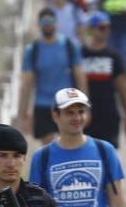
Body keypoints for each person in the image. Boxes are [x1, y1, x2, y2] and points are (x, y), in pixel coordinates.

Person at [20, 9, 86, 139]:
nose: (48, 25)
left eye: (51, 21)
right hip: (42, 105)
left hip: (66, 104)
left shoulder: (69, 46)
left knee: (68, 143)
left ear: (57, 23)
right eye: (44, 22)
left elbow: (80, 77)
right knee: (49, 146)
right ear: (39, 25)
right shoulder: (33, 50)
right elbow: (26, 84)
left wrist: (85, 106)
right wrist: (23, 113)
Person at [77, 12, 126, 149]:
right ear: (91, 29)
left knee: (108, 156)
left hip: (109, 115)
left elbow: (122, 87)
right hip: (85, 116)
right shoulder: (80, 54)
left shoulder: (114, 56)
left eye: (107, 27)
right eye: (101, 27)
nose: (105, 31)